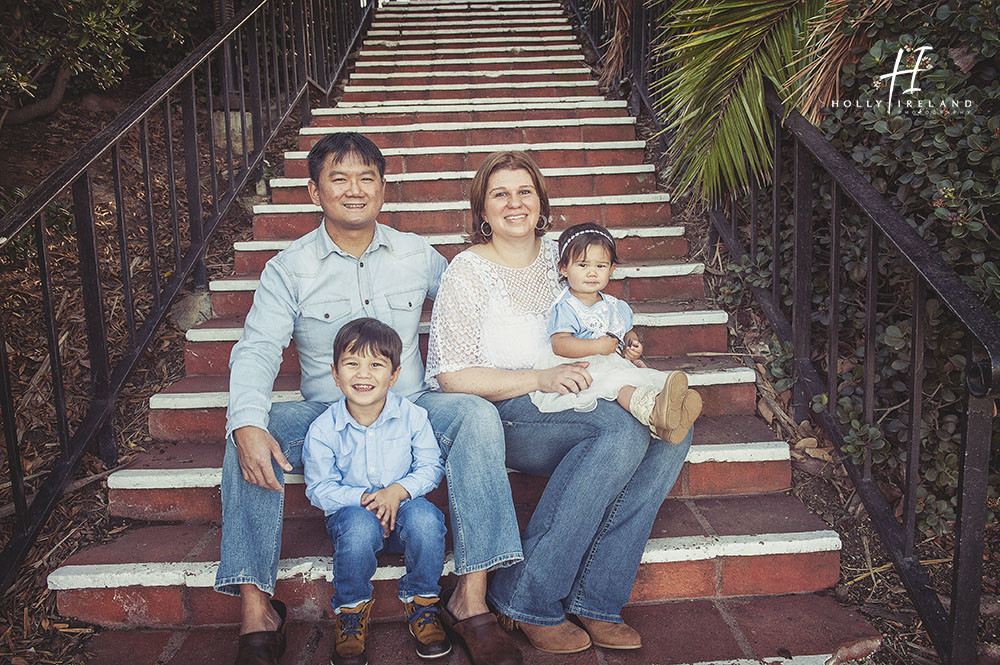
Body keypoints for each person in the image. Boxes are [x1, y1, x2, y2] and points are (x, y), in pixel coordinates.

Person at [215, 132, 524, 665]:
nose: (354, 190)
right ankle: (256, 610)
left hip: (413, 407)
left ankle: (471, 600)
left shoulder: (417, 255)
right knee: (247, 434)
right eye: (339, 178)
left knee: (475, 414)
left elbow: (484, 307)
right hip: (326, 413)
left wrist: (586, 328)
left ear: (383, 188)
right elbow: (258, 349)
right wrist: (245, 420)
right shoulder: (288, 268)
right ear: (315, 191)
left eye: (366, 178)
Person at [425, 151, 694, 655]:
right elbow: (452, 376)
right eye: (499, 193)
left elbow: (597, 318)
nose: (514, 203)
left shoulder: (563, 257)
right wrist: (541, 376)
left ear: (541, 201)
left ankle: (596, 598)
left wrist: (621, 346)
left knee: (670, 427)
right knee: (616, 431)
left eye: (524, 191)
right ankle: (527, 596)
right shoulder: (467, 270)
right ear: (482, 210)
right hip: (503, 408)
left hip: (577, 391)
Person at [303, 318, 450, 663]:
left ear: (394, 375)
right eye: (352, 364)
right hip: (352, 522)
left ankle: (424, 603)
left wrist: (397, 491)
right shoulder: (324, 429)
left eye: (376, 365)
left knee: (428, 519)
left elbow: (431, 467)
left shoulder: (413, 417)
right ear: (335, 374)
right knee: (357, 526)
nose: (363, 374)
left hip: (403, 517)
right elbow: (319, 488)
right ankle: (351, 612)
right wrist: (364, 500)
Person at [530, 222, 702, 444]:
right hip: (582, 365)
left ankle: (663, 421)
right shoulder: (566, 307)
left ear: (611, 269)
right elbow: (560, 344)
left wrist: (632, 346)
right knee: (620, 386)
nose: (592, 272)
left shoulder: (615, 305)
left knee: (632, 377)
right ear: (564, 268)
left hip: (612, 361)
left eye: (601, 266)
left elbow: (627, 332)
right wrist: (597, 347)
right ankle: (653, 410)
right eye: (582, 265)